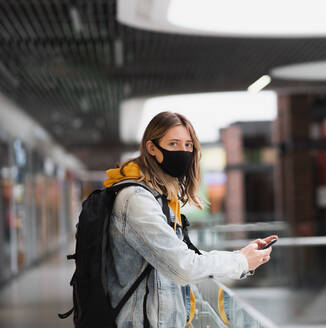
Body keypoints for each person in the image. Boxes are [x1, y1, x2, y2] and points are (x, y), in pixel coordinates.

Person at [103, 111, 277, 327]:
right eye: (174, 144)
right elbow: (182, 267)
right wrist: (239, 262)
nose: (183, 152)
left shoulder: (158, 198)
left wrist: (241, 257)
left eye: (188, 145)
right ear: (152, 148)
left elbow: (180, 257)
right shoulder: (137, 200)